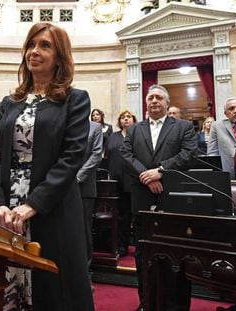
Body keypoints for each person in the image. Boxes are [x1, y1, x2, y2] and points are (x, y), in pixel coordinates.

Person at [0, 22, 94, 311]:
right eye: (31, 45)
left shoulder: (75, 99)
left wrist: (33, 204)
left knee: (54, 290)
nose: (34, 51)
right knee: (8, 281)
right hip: (7, 210)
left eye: (44, 46)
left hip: (52, 205)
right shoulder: (10, 103)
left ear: (60, 57)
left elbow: (72, 157)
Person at [121, 84, 197, 311]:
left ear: (166, 102)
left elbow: (189, 154)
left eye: (158, 98)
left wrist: (161, 171)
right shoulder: (134, 129)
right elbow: (125, 154)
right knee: (143, 253)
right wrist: (146, 176)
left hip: (172, 197)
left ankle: (176, 305)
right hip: (142, 197)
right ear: (146, 103)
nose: (154, 101)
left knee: (176, 253)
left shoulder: (183, 126)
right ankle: (147, 302)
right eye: (150, 98)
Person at [105, 109, 137, 257]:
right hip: (116, 182)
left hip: (135, 182)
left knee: (134, 215)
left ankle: (138, 244)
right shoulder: (113, 136)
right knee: (121, 215)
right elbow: (108, 156)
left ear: (134, 120)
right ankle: (122, 245)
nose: (126, 119)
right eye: (123, 117)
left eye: (129, 117)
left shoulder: (138, 135)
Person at [77, 121, 103, 287]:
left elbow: (97, 155)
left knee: (84, 230)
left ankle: (85, 274)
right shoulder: (65, 124)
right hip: (60, 186)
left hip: (83, 186)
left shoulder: (95, 128)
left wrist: (77, 176)